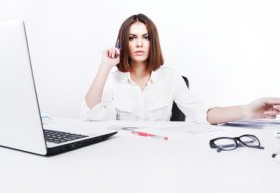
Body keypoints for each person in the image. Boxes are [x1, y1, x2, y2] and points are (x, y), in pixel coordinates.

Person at [82, 13, 280, 124]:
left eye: (146, 37)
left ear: (153, 42)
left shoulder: (171, 77)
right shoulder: (114, 78)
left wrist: (246, 110)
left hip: (162, 154)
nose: (139, 44)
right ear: (123, 43)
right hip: (124, 154)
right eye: (132, 38)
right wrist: (105, 66)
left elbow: (201, 114)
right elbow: (92, 109)